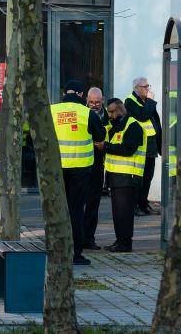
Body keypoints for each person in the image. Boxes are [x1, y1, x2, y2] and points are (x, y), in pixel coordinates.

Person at [50, 80, 105, 265]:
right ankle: (75, 254)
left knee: (57, 209)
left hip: (56, 170)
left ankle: (55, 251)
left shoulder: (52, 110)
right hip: (81, 170)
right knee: (75, 211)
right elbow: (100, 136)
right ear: (82, 95)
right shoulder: (87, 113)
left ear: (64, 93)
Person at [101, 98, 145, 252]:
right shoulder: (118, 126)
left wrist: (105, 146)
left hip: (128, 177)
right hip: (117, 177)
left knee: (124, 214)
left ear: (121, 109)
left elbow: (127, 149)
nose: (111, 115)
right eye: (109, 112)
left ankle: (125, 244)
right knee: (118, 213)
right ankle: (120, 241)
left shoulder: (133, 126)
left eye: (113, 111)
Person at [124, 77, 162, 216]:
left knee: (148, 178)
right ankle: (136, 206)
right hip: (140, 147)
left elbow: (155, 121)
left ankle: (143, 204)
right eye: (145, 86)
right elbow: (142, 116)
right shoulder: (130, 101)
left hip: (151, 147)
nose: (148, 89)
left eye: (148, 86)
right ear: (137, 88)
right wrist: (151, 101)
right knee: (140, 179)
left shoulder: (145, 101)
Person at [83, 87, 110, 250]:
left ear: (103, 100)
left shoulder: (108, 116)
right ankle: (77, 236)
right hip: (82, 165)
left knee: (93, 205)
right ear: (87, 100)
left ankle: (89, 239)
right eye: (91, 102)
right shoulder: (82, 114)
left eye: (97, 102)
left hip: (98, 165)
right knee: (79, 204)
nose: (94, 105)